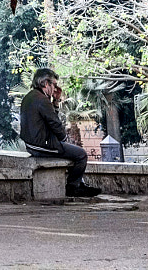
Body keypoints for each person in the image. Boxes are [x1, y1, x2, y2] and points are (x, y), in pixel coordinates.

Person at [19, 68, 99, 199]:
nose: (55, 88)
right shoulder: (42, 100)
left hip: (32, 145)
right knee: (81, 155)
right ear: (45, 83)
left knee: (71, 151)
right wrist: (63, 138)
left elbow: (49, 119)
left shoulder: (29, 97)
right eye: (54, 85)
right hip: (43, 146)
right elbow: (55, 124)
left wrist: (55, 101)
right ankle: (73, 187)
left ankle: (79, 184)